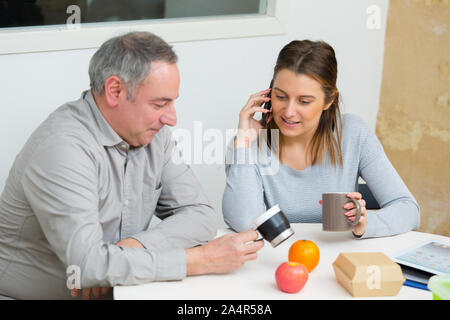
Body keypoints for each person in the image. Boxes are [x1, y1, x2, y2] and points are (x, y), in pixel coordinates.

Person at [0, 31, 263, 300]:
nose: (171, 118)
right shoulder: (62, 148)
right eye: (160, 104)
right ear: (115, 91)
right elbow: (87, 265)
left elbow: (200, 213)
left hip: (122, 291)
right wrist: (199, 260)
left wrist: (131, 249)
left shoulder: (154, 135)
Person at [222, 40, 420, 239]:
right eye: (281, 96)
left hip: (338, 257)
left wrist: (365, 223)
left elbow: (408, 209)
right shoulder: (249, 143)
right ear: (268, 94)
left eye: (304, 101)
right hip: (275, 262)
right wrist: (243, 144)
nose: (289, 112)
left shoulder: (352, 133)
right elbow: (245, 223)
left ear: (329, 100)